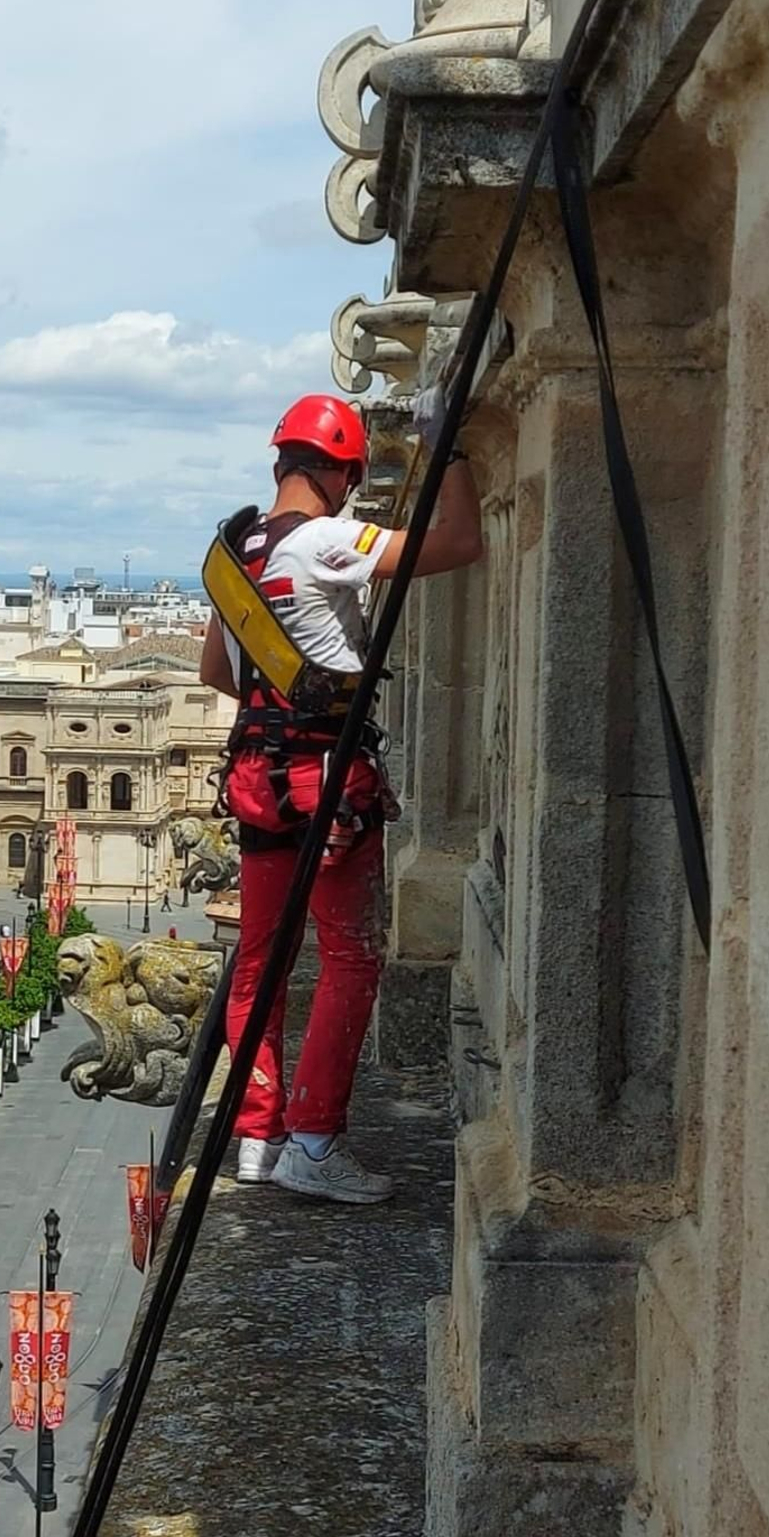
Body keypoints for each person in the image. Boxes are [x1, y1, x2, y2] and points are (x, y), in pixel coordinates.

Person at [201, 388, 482, 1203]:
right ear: (344, 473)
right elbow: (458, 541)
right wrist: (448, 447)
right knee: (350, 954)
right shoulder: (328, 540)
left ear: (282, 460)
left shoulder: (235, 554)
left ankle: (257, 1135)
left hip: (258, 776)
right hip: (328, 779)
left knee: (260, 960)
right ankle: (315, 1139)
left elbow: (216, 674)